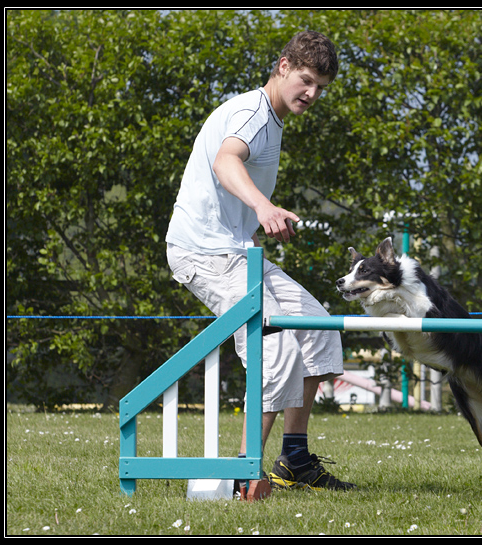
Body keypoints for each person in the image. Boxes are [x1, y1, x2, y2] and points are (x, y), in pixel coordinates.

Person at [165, 30, 354, 492]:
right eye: (306, 80)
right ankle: (241, 474)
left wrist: (252, 217)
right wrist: (263, 208)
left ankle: (294, 460)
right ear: (283, 66)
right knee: (275, 347)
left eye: (321, 88)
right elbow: (226, 162)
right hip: (203, 254)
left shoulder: (272, 119)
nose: (311, 94)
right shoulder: (252, 113)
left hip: (235, 251)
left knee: (317, 327)